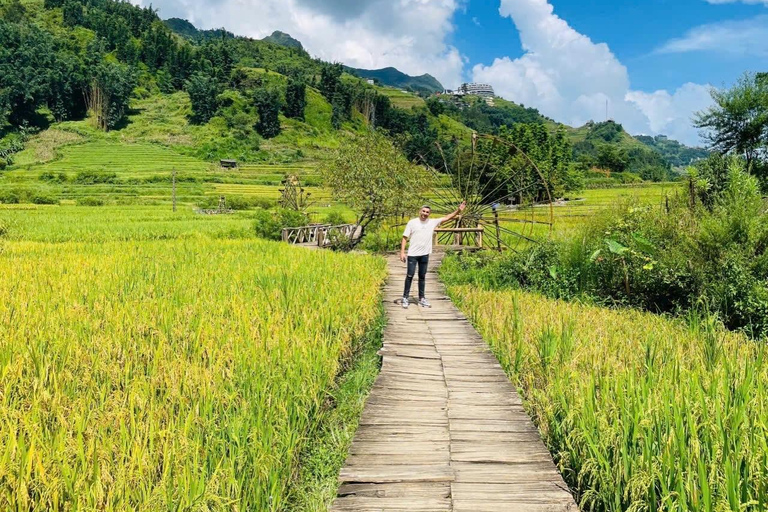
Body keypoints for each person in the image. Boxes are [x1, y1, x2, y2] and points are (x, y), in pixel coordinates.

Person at [400, 202, 466, 308]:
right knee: (410, 275)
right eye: (423, 211)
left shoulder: (432, 222)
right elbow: (404, 237)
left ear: (429, 214)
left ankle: (422, 298)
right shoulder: (412, 222)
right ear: (420, 211)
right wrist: (402, 252)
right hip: (412, 254)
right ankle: (405, 297)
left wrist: (458, 211)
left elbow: (447, 217)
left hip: (424, 254)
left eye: (427, 212)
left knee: (422, 276)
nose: (425, 213)